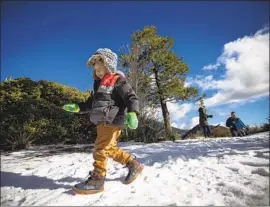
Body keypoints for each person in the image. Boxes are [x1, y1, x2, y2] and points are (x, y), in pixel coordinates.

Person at [63, 48, 143, 194]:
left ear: (110, 66)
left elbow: (131, 97)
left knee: (100, 148)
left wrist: (133, 112)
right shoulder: (99, 85)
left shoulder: (118, 81)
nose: (98, 72)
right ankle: (133, 163)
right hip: (102, 121)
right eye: (96, 69)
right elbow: (91, 103)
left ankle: (97, 179)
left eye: (101, 68)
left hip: (113, 120)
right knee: (109, 148)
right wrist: (78, 107)